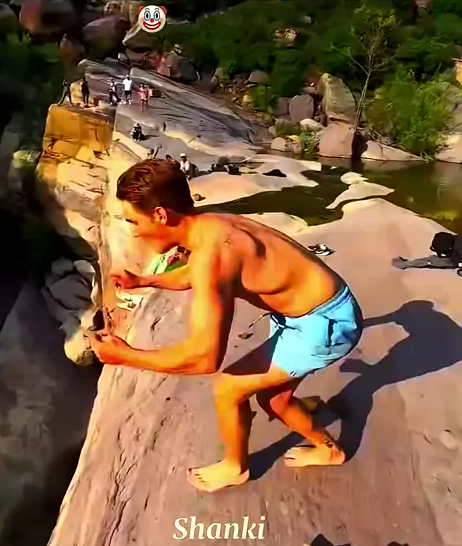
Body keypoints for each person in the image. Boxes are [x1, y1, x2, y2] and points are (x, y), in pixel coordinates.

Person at [89, 160, 363, 494]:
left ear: (160, 215)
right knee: (272, 396)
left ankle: (246, 465)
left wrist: (126, 356)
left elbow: (204, 358)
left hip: (323, 324)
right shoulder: (209, 225)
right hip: (315, 308)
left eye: (134, 221)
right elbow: (198, 272)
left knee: (230, 388)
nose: (134, 231)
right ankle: (295, 405)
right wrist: (145, 280)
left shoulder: (213, 255)